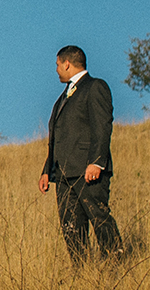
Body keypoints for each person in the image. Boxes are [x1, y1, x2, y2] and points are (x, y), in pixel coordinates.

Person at [39, 45, 124, 262]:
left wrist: (97, 162)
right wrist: (47, 171)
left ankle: (116, 266)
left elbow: (102, 126)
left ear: (67, 63)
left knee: (100, 219)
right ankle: (82, 275)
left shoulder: (95, 87)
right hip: (65, 175)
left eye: (57, 65)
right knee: (71, 230)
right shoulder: (62, 98)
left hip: (89, 172)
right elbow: (60, 138)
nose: (56, 69)